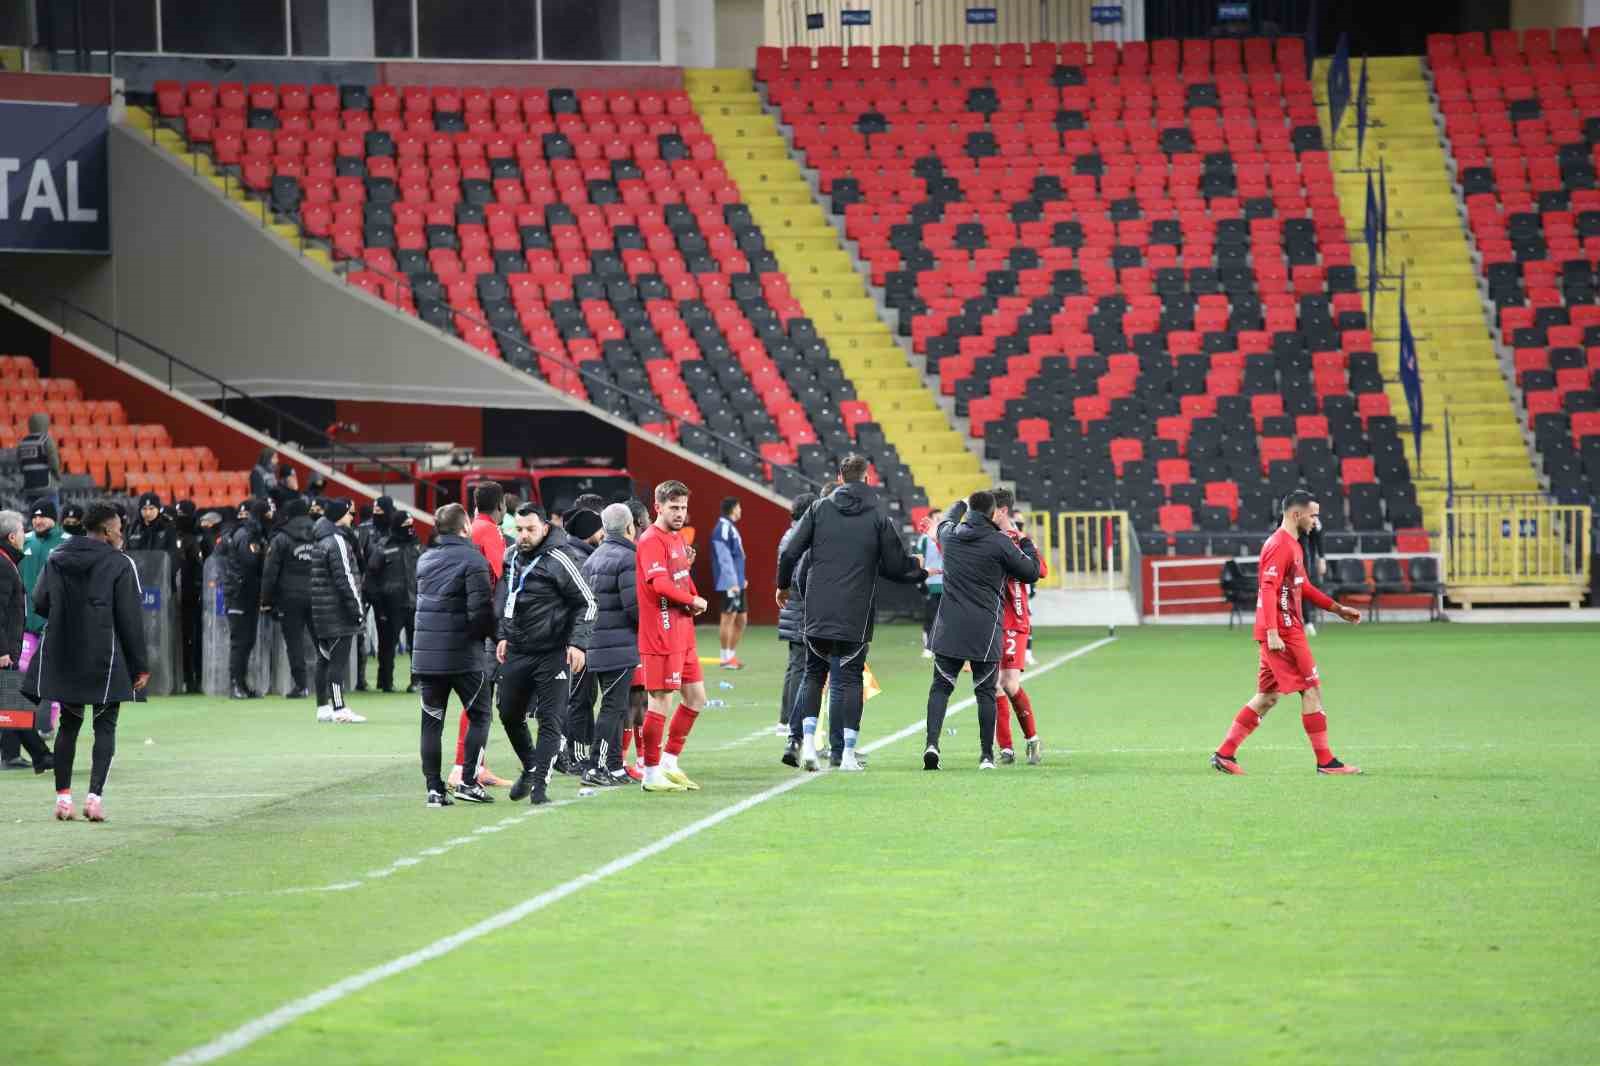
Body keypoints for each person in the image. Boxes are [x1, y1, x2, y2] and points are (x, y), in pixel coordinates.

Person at [776, 455, 925, 772]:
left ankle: (808, 746)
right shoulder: (878, 517)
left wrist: (783, 586)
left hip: (818, 611)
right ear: (868, 479)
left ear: (840, 478)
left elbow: (790, 553)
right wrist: (919, 569)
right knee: (849, 680)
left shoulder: (818, 510)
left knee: (813, 674)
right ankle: (845, 755)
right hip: (856, 613)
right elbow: (895, 566)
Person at [1212, 490, 1364, 776]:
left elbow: (1303, 586)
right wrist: (1273, 632)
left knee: (1267, 696)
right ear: (1297, 514)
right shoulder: (1280, 545)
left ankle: (1224, 754)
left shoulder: (1292, 545)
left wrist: (1337, 609)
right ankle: (1326, 762)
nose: (1316, 521)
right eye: (1313, 515)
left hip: (1281, 628)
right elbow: (1268, 588)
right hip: (1283, 630)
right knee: (1311, 689)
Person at [30, 502, 150, 821]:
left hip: (65, 651)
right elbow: (130, 618)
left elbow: (40, 601)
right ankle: (94, 799)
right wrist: (140, 664)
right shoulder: (120, 563)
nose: (121, 534)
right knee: (105, 725)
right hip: (104, 657)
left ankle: (63, 800)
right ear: (108, 531)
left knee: (68, 725)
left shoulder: (56, 557)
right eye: (119, 529)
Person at [922, 491, 1041, 771]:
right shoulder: (1000, 542)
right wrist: (1025, 542)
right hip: (985, 630)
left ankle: (932, 745)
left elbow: (947, 519)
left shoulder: (950, 536)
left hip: (949, 627)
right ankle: (987, 756)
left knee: (940, 687)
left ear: (969, 510)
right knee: (985, 691)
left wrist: (960, 503)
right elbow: (1031, 572)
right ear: (992, 513)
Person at [496, 503, 597, 806]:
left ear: (544, 527)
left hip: (554, 652)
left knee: (550, 720)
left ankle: (539, 788)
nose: (524, 536)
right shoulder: (510, 556)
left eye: (530, 529)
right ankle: (531, 767)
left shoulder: (561, 558)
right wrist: (503, 634)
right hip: (517, 650)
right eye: (519, 530)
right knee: (508, 714)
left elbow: (588, 602)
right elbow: (508, 597)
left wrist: (578, 644)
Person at [412, 503, 498, 807]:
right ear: (465, 528)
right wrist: (492, 639)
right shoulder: (474, 560)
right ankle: (468, 781)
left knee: (431, 721)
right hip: (463, 655)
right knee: (480, 715)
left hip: (427, 656)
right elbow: (481, 612)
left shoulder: (425, 559)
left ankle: (434, 789)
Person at [635, 480, 710, 792]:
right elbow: (660, 584)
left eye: (683, 507)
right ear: (658, 507)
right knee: (660, 703)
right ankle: (651, 773)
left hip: (683, 632)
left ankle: (669, 761)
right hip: (661, 634)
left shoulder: (677, 538)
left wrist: (691, 598)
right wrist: (691, 600)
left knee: (696, 698)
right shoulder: (651, 540)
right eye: (674, 507)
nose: (680, 513)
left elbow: (680, 576)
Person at [446, 481, 511, 790]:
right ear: (501, 506)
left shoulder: (472, 530)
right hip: (484, 625)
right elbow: (497, 580)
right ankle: (463, 767)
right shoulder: (490, 532)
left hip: (461, 620)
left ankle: (475, 765)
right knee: (479, 699)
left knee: (477, 698)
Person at [579, 502, 639, 787]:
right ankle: (595, 766)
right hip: (618, 644)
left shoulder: (593, 558)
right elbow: (633, 606)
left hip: (595, 643)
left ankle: (614, 766)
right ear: (630, 527)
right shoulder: (628, 558)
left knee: (615, 706)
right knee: (613, 708)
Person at [989, 488, 1045, 766]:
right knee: (993, 685)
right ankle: (1006, 747)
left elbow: (1041, 570)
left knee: (1008, 683)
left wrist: (1022, 541)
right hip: (989, 619)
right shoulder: (986, 537)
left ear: (1001, 511)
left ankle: (1032, 739)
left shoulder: (1018, 540)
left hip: (1013, 618)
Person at [0, 510, 53, 773]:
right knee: (13, 703)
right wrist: (2, 650)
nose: (25, 535)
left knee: (12, 704)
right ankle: (41, 756)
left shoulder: (7, 561)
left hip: (8, 648)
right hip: (3, 650)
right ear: (12, 537)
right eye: (22, 530)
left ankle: (35, 756)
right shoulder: (3, 565)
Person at [556, 505, 604, 773]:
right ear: (588, 532)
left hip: (577, 638)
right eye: (598, 528)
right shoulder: (579, 559)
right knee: (579, 697)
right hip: (577, 640)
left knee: (580, 696)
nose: (602, 533)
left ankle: (569, 752)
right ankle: (573, 755)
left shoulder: (577, 554)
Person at [309, 498, 366, 724]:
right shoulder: (337, 541)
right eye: (350, 513)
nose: (352, 517)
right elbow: (346, 579)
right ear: (341, 515)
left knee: (324, 659)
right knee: (337, 662)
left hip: (321, 611)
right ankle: (339, 708)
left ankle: (323, 707)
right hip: (338, 612)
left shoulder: (320, 539)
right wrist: (357, 609)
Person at [261, 497, 317, 699]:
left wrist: (266, 600)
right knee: (322, 640)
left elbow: (270, 573)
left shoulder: (281, 538)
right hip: (317, 595)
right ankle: (331, 682)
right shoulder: (319, 534)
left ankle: (301, 686)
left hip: (289, 597)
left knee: (294, 643)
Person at [20, 501, 68, 732]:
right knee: (23, 672)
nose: (38, 521)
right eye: (34, 517)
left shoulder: (66, 542)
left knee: (52, 675)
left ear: (54, 518)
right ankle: (22, 726)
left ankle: (48, 724)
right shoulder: (22, 540)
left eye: (43, 517)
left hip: (55, 623)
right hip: (27, 623)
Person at [775, 492, 817, 751]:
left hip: (792, 608)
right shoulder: (799, 538)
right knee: (801, 667)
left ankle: (785, 719)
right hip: (800, 608)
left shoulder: (788, 535)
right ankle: (793, 722)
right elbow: (799, 575)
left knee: (795, 666)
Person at [220, 498, 270, 700]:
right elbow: (249, 562)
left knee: (247, 641)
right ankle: (235, 685)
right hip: (239, 594)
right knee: (240, 641)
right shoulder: (247, 535)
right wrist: (264, 556)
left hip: (247, 594)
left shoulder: (252, 534)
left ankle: (242, 683)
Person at [367, 510, 421, 693]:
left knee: (417, 646)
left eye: (412, 524)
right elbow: (371, 576)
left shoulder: (417, 546)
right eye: (406, 525)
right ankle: (385, 682)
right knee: (387, 646)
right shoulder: (384, 546)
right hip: (391, 605)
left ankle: (416, 681)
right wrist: (378, 604)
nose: (410, 528)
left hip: (414, 603)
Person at [709, 496, 749, 670]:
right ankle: (725, 658)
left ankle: (731, 656)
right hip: (729, 582)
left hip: (737, 581)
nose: (741, 510)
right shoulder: (723, 528)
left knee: (741, 620)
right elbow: (723, 556)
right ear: (733, 509)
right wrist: (732, 581)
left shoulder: (729, 527)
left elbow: (735, 556)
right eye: (739, 507)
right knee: (728, 618)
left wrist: (740, 579)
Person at [172, 500, 207, 694]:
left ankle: (196, 678)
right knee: (182, 638)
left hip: (193, 596)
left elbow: (205, 565)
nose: (180, 518)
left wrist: (199, 588)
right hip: (176, 595)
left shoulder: (200, 536)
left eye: (183, 514)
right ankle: (185, 678)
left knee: (195, 637)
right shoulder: (172, 535)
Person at [17, 412, 62, 511]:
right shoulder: (46, 440)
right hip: (46, 485)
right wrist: (58, 477)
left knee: (34, 510)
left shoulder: (22, 443)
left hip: (29, 485)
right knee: (52, 509)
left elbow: (20, 465)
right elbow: (54, 463)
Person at [914, 513, 944, 659]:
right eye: (937, 518)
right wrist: (919, 579)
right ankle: (928, 647)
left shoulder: (949, 536)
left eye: (941, 518)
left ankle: (945, 647)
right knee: (930, 616)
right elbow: (918, 558)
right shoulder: (924, 539)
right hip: (931, 583)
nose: (939, 520)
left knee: (948, 618)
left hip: (948, 583)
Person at [1300, 498, 1326, 636]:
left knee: (1304, 590)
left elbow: (1318, 537)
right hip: (1289, 560)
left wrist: (1321, 558)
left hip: (1305, 562)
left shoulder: (1315, 522)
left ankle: (1308, 622)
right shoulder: (1288, 520)